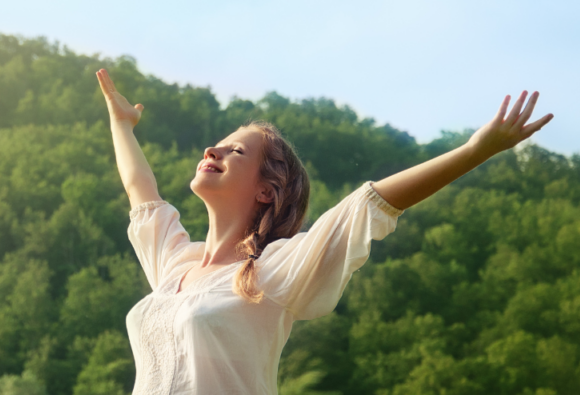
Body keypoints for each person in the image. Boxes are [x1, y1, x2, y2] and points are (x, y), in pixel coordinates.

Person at [95, 68, 554, 395]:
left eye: (236, 151)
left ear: (265, 191)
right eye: (218, 144)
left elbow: (370, 202)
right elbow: (142, 193)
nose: (212, 149)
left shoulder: (272, 270)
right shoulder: (175, 265)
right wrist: (122, 125)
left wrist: (475, 151)